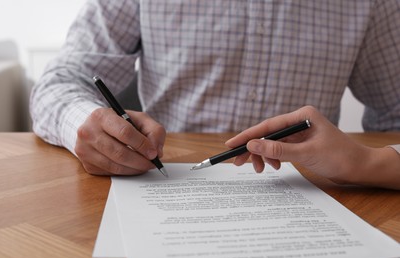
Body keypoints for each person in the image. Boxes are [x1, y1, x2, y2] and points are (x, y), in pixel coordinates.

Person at [30, 0, 400, 189]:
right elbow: (60, 81)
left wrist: (367, 164)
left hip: (317, 193)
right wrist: (85, 123)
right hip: (161, 186)